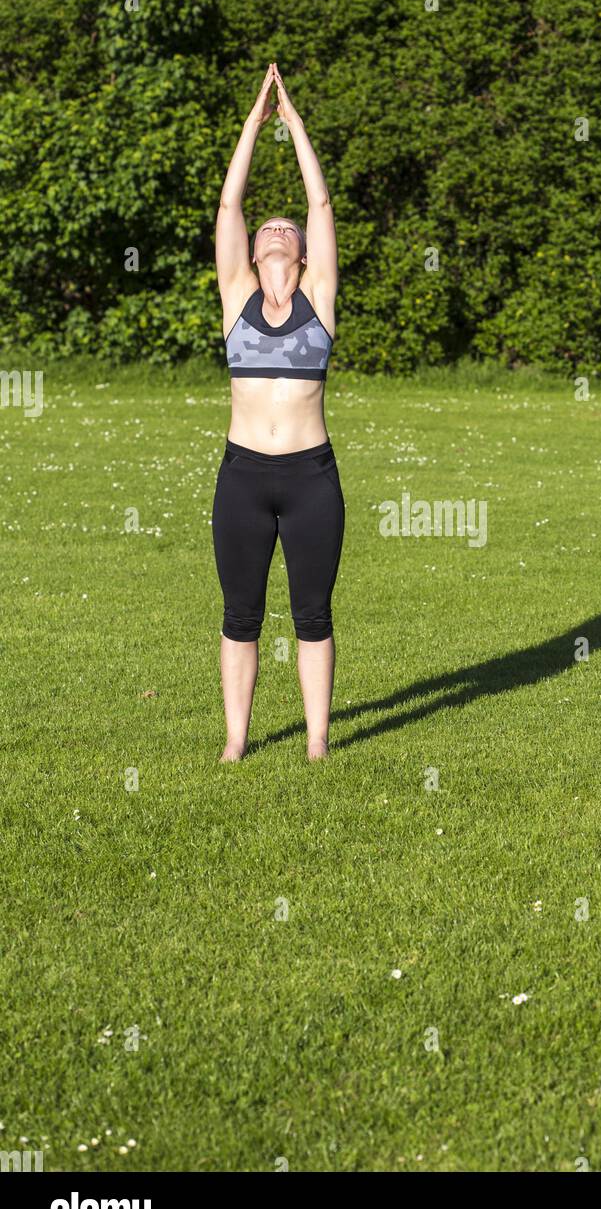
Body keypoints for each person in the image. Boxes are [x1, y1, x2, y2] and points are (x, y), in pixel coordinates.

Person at [212, 63, 343, 762]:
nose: (273, 228)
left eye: (282, 227)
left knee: (313, 615)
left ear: (294, 251)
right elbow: (229, 209)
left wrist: (293, 126)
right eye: (268, 227)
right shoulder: (236, 299)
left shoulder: (318, 298)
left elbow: (320, 208)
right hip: (242, 478)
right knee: (240, 617)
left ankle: (317, 743)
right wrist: (252, 125)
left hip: (310, 478)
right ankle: (236, 743)